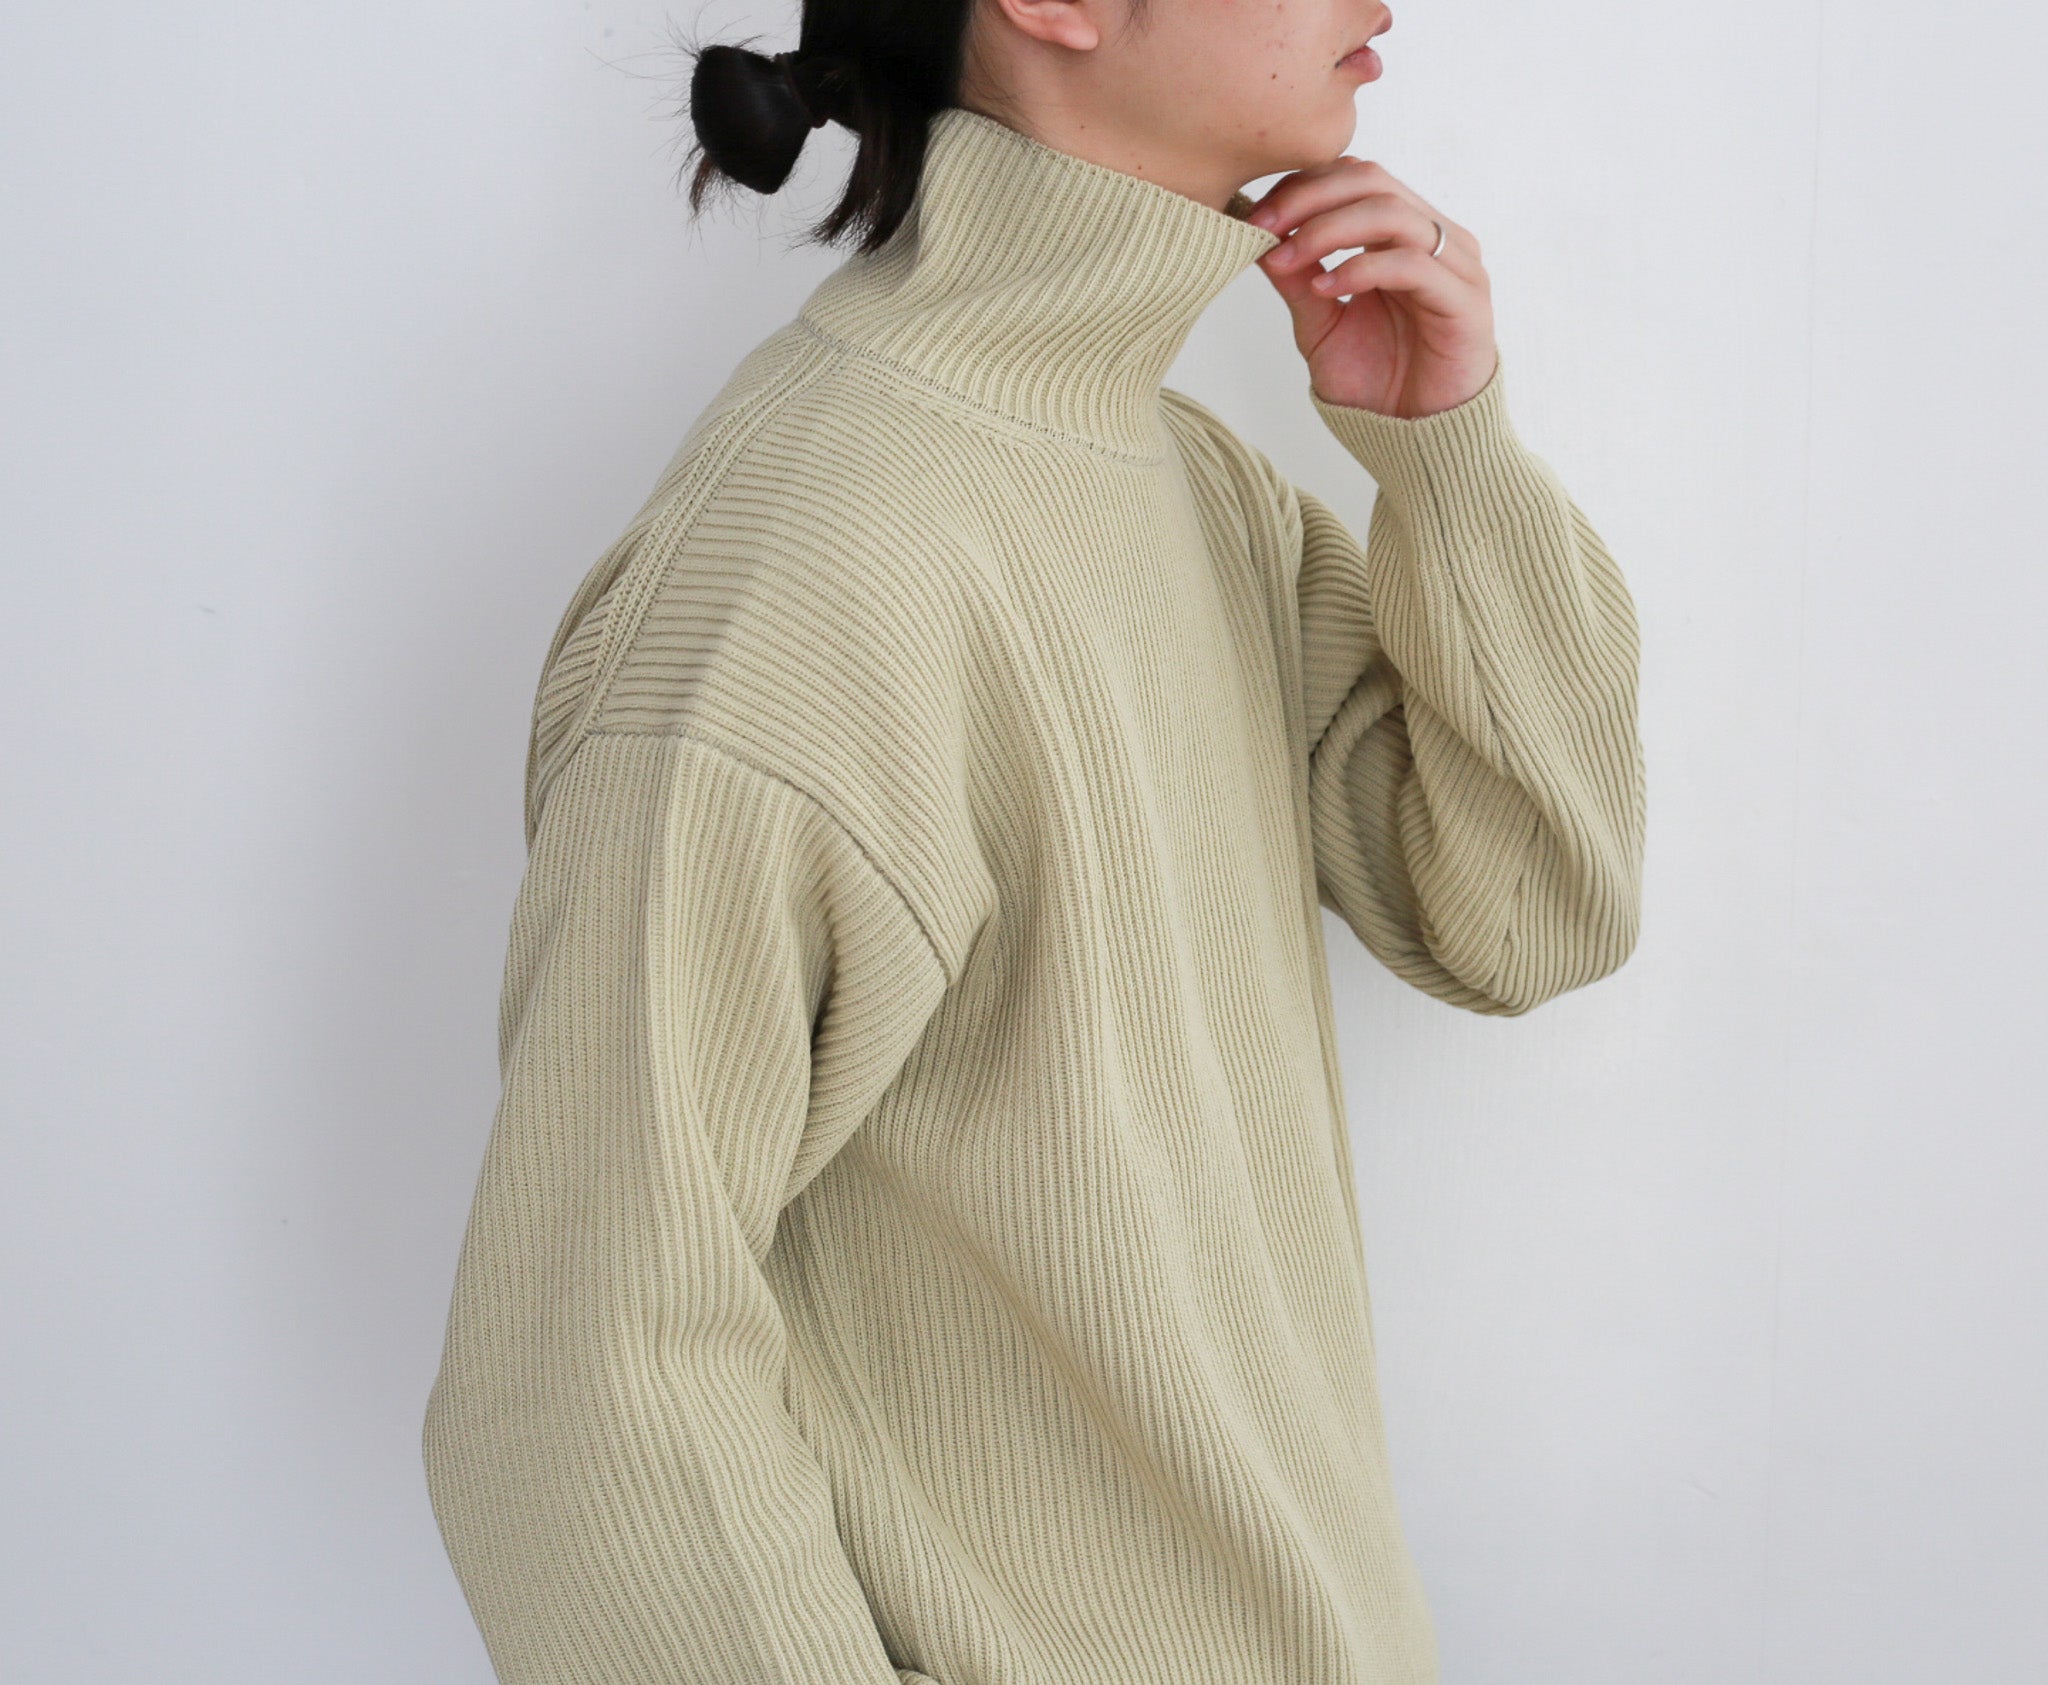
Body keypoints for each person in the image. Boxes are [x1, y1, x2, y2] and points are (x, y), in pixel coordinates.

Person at [420, 1, 1647, 1681]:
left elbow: (1525, 912)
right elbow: (577, 1384)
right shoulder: (811, 557)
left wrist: (1450, 451)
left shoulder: (1177, 475)